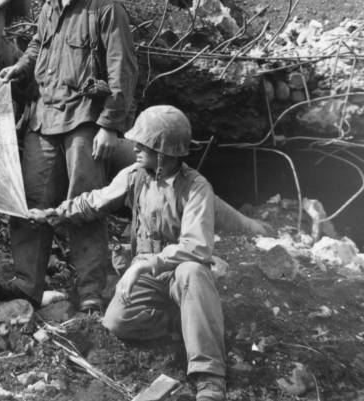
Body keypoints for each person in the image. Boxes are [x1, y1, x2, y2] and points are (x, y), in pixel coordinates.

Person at [0, 0, 138, 312]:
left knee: (84, 203)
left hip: (84, 120)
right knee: (31, 201)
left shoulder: (106, 8)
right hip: (43, 117)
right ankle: (26, 285)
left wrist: (110, 125)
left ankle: (89, 290)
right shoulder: (51, 7)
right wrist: (19, 68)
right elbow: (39, 45)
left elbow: (122, 70)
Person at [28, 105, 227, 401]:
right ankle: (181, 321)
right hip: (148, 274)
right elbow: (96, 201)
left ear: (163, 152)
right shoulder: (135, 175)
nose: (134, 147)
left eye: (143, 144)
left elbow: (196, 248)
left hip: (179, 273)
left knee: (193, 271)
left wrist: (142, 267)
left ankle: (209, 376)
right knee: (116, 323)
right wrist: (55, 213)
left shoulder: (197, 188)